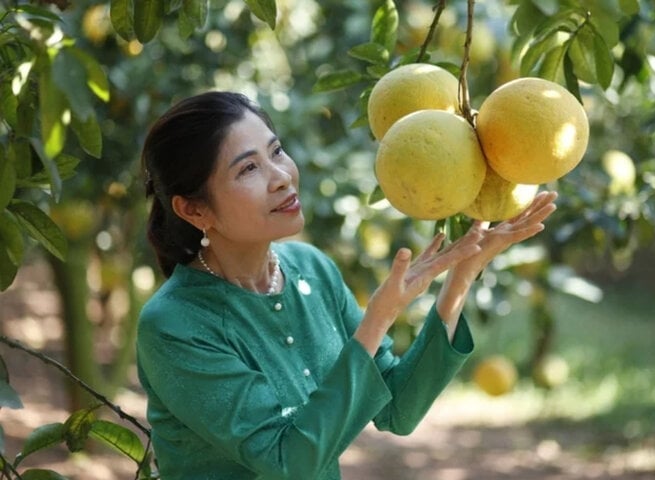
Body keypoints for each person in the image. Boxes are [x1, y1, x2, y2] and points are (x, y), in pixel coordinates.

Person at [137, 91, 558, 480]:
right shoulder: (175, 325)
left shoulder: (310, 269)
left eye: (277, 151)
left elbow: (397, 407)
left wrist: (461, 275)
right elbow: (288, 459)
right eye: (248, 168)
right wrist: (378, 319)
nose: (281, 176)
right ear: (194, 210)